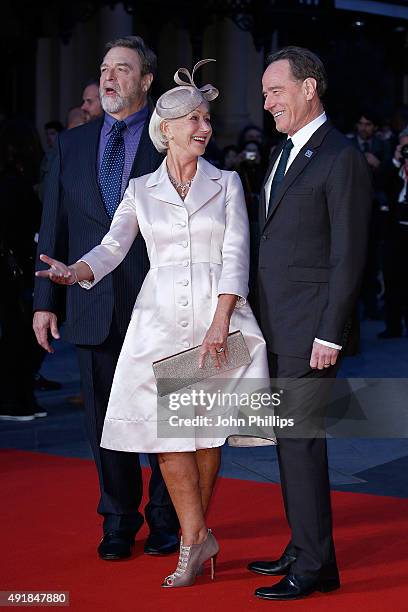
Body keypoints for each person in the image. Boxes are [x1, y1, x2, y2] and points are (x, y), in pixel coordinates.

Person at [35, 59, 271, 588]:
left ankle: (192, 540)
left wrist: (221, 319)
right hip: (158, 322)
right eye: (195, 120)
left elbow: (236, 255)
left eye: (208, 119)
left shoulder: (228, 182)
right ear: (168, 130)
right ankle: (197, 537)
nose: (206, 129)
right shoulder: (141, 189)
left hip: (222, 321)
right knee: (168, 438)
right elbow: (114, 245)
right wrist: (76, 271)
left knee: (207, 436)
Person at [33, 35, 180, 561]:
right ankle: (118, 518)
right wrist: (44, 299)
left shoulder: (173, 139)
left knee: (168, 418)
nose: (110, 78)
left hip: (161, 302)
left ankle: (167, 518)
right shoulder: (72, 144)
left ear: (146, 81)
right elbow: (55, 226)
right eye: (104, 69)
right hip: (92, 304)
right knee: (105, 420)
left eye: (123, 69)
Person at [248, 46, 372, 601]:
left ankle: (316, 564)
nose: (267, 100)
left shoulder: (338, 155)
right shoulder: (282, 153)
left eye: (275, 90)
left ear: (308, 89)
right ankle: (306, 549)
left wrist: (330, 330)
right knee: (289, 442)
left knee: (300, 442)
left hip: (309, 329)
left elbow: (348, 253)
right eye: (266, 91)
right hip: (276, 323)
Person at [379, 127, 408, 338]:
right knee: (392, 279)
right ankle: (393, 325)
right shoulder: (393, 167)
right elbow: (380, 183)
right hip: (394, 230)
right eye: (404, 145)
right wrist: (397, 161)